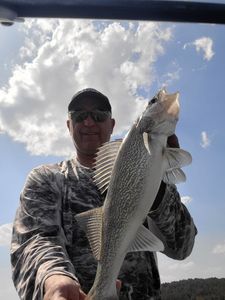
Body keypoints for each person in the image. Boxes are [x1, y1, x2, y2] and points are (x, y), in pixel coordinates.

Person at [11, 88, 197, 300]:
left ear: (112, 124)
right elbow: (35, 242)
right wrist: (54, 280)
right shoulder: (45, 179)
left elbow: (182, 247)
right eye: (79, 115)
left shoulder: (153, 174)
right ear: (68, 125)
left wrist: (160, 193)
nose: (89, 122)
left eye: (99, 115)